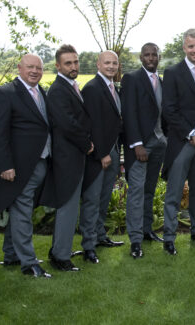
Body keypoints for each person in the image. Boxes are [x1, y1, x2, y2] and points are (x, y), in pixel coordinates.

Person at [0, 54, 52, 278]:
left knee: (20, 211)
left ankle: (11, 254)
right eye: (30, 67)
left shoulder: (41, 92)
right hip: (18, 167)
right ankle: (29, 263)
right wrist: (5, 165)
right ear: (19, 68)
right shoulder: (5, 93)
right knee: (23, 212)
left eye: (38, 68)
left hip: (40, 162)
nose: (34, 71)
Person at [40, 44, 94, 271]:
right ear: (58, 65)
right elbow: (67, 124)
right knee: (68, 207)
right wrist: (87, 143)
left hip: (73, 155)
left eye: (75, 62)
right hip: (67, 157)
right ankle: (61, 257)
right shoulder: (59, 90)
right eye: (68, 63)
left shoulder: (71, 86)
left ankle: (59, 250)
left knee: (71, 207)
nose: (74, 66)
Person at [161, 30, 195, 256]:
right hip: (182, 141)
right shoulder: (173, 73)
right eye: (190, 46)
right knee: (174, 191)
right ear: (184, 48)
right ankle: (169, 237)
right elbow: (169, 110)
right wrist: (192, 134)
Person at [121, 43, 168, 258]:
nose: (150, 58)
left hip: (159, 143)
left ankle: (147, 230)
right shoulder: (131, 79)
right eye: (146, 55)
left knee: (149, 189)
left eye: (154, 55)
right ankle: (135, 240)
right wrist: (136, 143)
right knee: (137, 192)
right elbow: (128, 113)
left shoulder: (161, 80)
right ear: (141, 57)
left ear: (159, 57)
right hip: (140, 145)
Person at [80, 51, 124, 257]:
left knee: (104, 198)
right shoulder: (92, 88)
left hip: (113, 150)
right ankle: (88, 245)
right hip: (100, 155)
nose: (111, 66)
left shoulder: (112, 87)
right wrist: (101, 153)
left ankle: (99, 235)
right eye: (107, 63)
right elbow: (92, 124)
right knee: (93, 199)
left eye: (114, 63)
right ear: (98, 64)